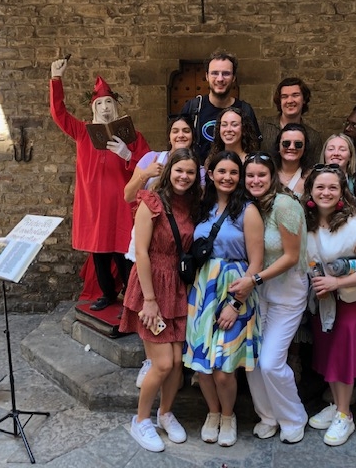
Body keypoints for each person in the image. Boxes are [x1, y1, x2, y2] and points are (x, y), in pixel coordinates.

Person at [119, 148, 202, 452]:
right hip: (151, 287)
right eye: (179, 170)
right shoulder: (151, 201)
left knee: (178, 363)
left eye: (190, 172)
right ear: (169, 171)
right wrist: (149, 300)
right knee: (163, 363)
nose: (184, 176)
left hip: (177, 287)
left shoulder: (191, 206)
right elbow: (141, 251)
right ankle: (141, 420)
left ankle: (165, 413)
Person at [50, 58, 150, 309]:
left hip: (122, 203)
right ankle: (107, 294)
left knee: (123, 251)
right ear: (93, 107)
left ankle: (130, 296)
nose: (104, 107)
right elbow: (58, 112)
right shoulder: (83, 131)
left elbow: (146, 166)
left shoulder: (132, 136)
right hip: (93, 204)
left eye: (108, 102)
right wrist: (56, 79)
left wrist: (128, 154)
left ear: (115, 106)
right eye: (99, 103)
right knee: (100, 253)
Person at [183, 151, 264, 447]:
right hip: (203, 289)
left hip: (234, 288)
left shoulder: (247, 210)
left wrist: (236, 303)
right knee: (202, 362)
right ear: (212, 174)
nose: (227, 177)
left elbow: (257, 262)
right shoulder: (202, 208)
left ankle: (228, 415)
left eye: (233, 172)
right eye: (221, 171)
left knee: (224, 368)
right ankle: (213, 412)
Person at [303, 164, 356, 447]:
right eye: (320, 187)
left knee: (343, 354)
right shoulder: (307, 223)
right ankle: (337, 405)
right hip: (324, 300)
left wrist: (337, 283)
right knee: (328, 353)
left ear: (342, 193)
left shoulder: (355, 226)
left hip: (351, 300)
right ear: (310, 191)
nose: (326, 192)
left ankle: (344, 414)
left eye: (332, 187)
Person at [228, 152, 309, 444]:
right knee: (253, 357)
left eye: (261, 175)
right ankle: (267, 416)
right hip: (259, 292)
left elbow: (291, 256)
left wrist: (255, 279)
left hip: (287, 290)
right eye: (250, 175)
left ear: (272, 175)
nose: (255, 180)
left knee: (272, 361)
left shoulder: (286, 205)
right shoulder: (250, 206)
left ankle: (293, 417)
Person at [123, 115, 198, 389]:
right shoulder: (150, 158)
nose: (180, 134)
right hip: (151, 240)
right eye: (176, 130)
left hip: (176, 251)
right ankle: (151, 359)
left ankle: (162, 366)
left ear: (192, 135)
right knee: (151, 308)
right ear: (169, 135)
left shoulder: (194, 166)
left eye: (186, 130)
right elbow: (128, 195)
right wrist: (145, 174)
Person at [180, 49, 262, 164]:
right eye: (214, 73)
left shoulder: (245, 110)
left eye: (226, 73)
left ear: (234, 78)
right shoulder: (193, 108)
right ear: (207, 76)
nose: (220, 79)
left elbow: (254, 147)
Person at [259, 77, 323, 165]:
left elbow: (315, 170)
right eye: (284, 96)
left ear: (304, 99)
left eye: (295, 95)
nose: (290, 101)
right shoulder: (263, 127)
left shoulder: (313, 136)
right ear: (279, 101)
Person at [274, 123, 309, 199]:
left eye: (298, 144)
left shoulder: (312, 177)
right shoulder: (268, 174)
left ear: (305, 148)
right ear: (278, 146)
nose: (292, 147)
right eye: (286, 143)